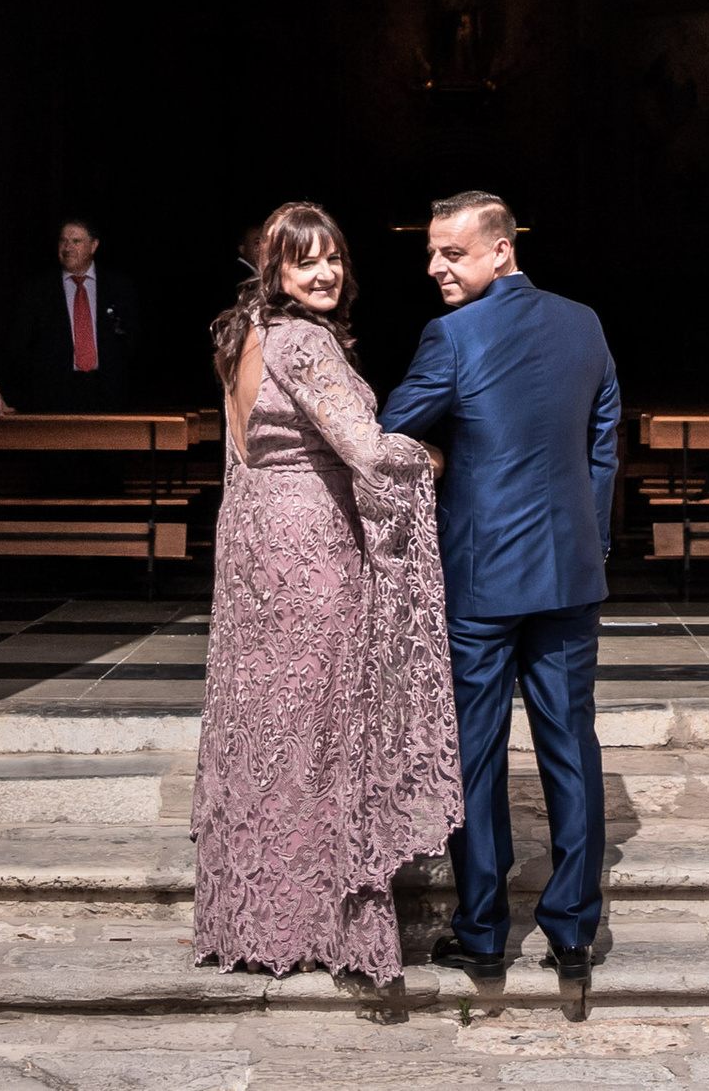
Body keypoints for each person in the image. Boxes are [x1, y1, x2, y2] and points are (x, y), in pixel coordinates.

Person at [191, 200, 463, 999]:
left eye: (334, 257)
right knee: (319, 725)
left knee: (267, 725)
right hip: (310, 545)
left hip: (252, 544)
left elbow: (243, 449)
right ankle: (319, 918)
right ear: (273, 269)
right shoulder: (305, 340)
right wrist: (440, 457)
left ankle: (256, 916)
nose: (325, 272)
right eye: (305, 260)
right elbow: (368, 452)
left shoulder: (244, 335)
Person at [380, 190, 621, 997]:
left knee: (476, 756)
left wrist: (440, 460)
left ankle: (483, 932)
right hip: (568, 572)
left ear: (500, 251)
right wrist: (591, 540)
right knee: (571, 746)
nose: (435, 267)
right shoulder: (585, 322)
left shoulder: (451, 336)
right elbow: (602, 443)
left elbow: (390, 431)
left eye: (451, 252)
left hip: (481, 581)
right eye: (431, 252)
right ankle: (574, 932)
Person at [8, 215, 141, 407]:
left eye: (76, 241)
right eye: (63, 241)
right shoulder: (37, 290)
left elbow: (132, 339)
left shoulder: (119, 288)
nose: (67, 248)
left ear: (93, 246)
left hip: (109, 393)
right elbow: (20, 345)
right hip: (53, 396)